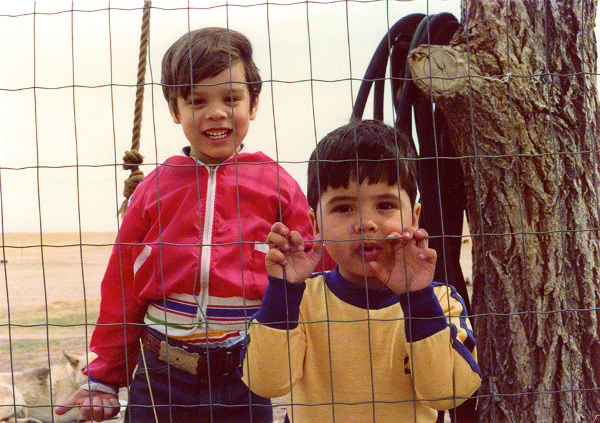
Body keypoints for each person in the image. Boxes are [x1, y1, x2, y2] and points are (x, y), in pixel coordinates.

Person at [56, 27, 315, 423]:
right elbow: (123, 282)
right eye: (197, 100)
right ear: (175, 110)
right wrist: (105, 376)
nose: (217, 112)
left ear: (255, 103)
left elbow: (314, 271)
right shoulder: (153, 189)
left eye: (232, 98)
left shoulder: (278, 185)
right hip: (161, 377)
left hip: (247, 375)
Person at [240, 120, 482, 422]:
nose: (365, 223)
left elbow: (449, 391)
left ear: (415, 216)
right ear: (315, 224)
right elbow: (266, 382)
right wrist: (283, 290)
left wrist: (417, 296)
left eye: (385, 205)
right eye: (343, 208)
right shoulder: (299, 300)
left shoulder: (441, 302)